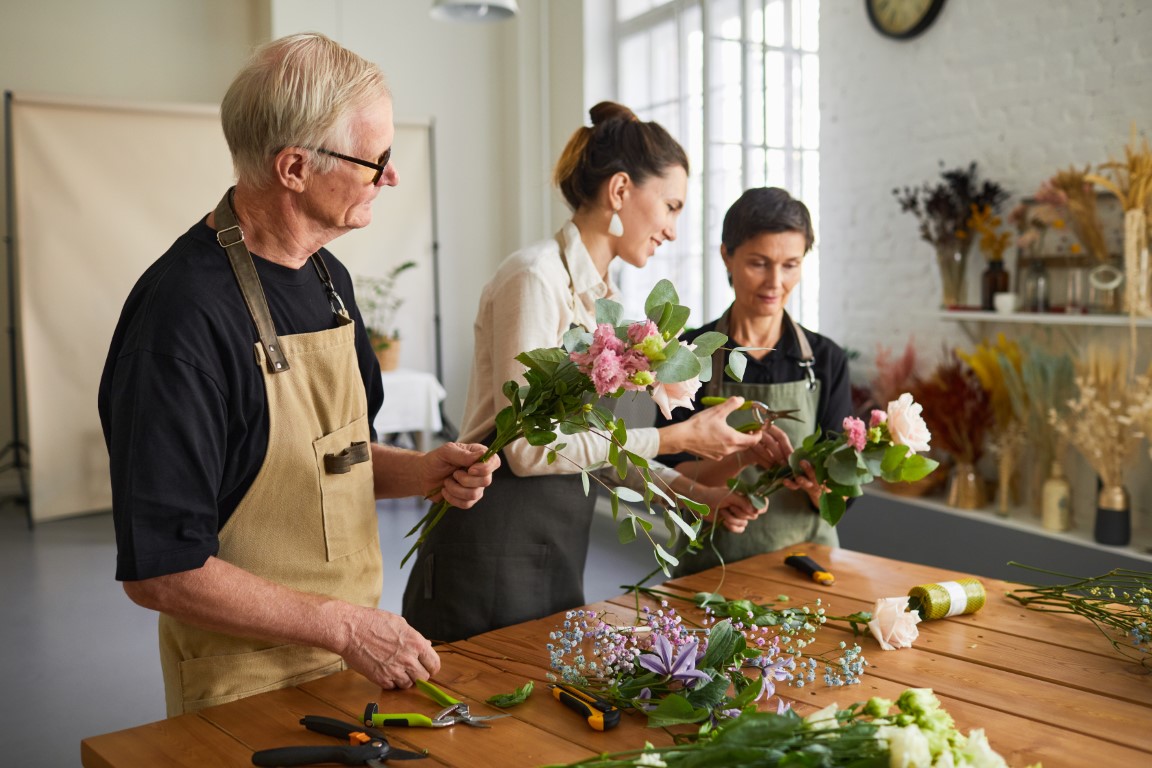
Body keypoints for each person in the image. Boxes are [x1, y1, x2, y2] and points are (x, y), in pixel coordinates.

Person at [97, 33, 498, 717]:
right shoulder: (181, 321)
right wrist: (343, 626)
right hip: (242, 684)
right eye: (377, 160)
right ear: (293, 168)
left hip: (352, 657)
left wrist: (423, 471)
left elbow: (333, 462)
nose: (390, 177)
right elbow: (162, 570)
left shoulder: (327, 278)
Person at [402, 102, 764, 643]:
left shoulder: (606, 305)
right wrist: (672, 439)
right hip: (491, 547)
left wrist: (694, 495)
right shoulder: (535, 278)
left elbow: (603, 450)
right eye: (670, 206)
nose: (671, 229)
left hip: (556, 552)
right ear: (620, 191)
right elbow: (526, 450)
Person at [655, 187, 852, 576]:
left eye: (791, 264)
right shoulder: (688, 356)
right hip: (708, 568)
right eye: (759, 263)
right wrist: (741, 456)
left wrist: (814, 484)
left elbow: (840, 499)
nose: (775, 282)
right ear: (727, 254)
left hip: (807, 567)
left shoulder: (826, 360)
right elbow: (668, 481)